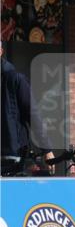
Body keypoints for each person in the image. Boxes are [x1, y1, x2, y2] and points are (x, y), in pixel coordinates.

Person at [1, 40, 53, 170]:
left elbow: (32, 114)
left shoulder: (15, 79)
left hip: (11, 155)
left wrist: (47, 150)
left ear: (0, 51)